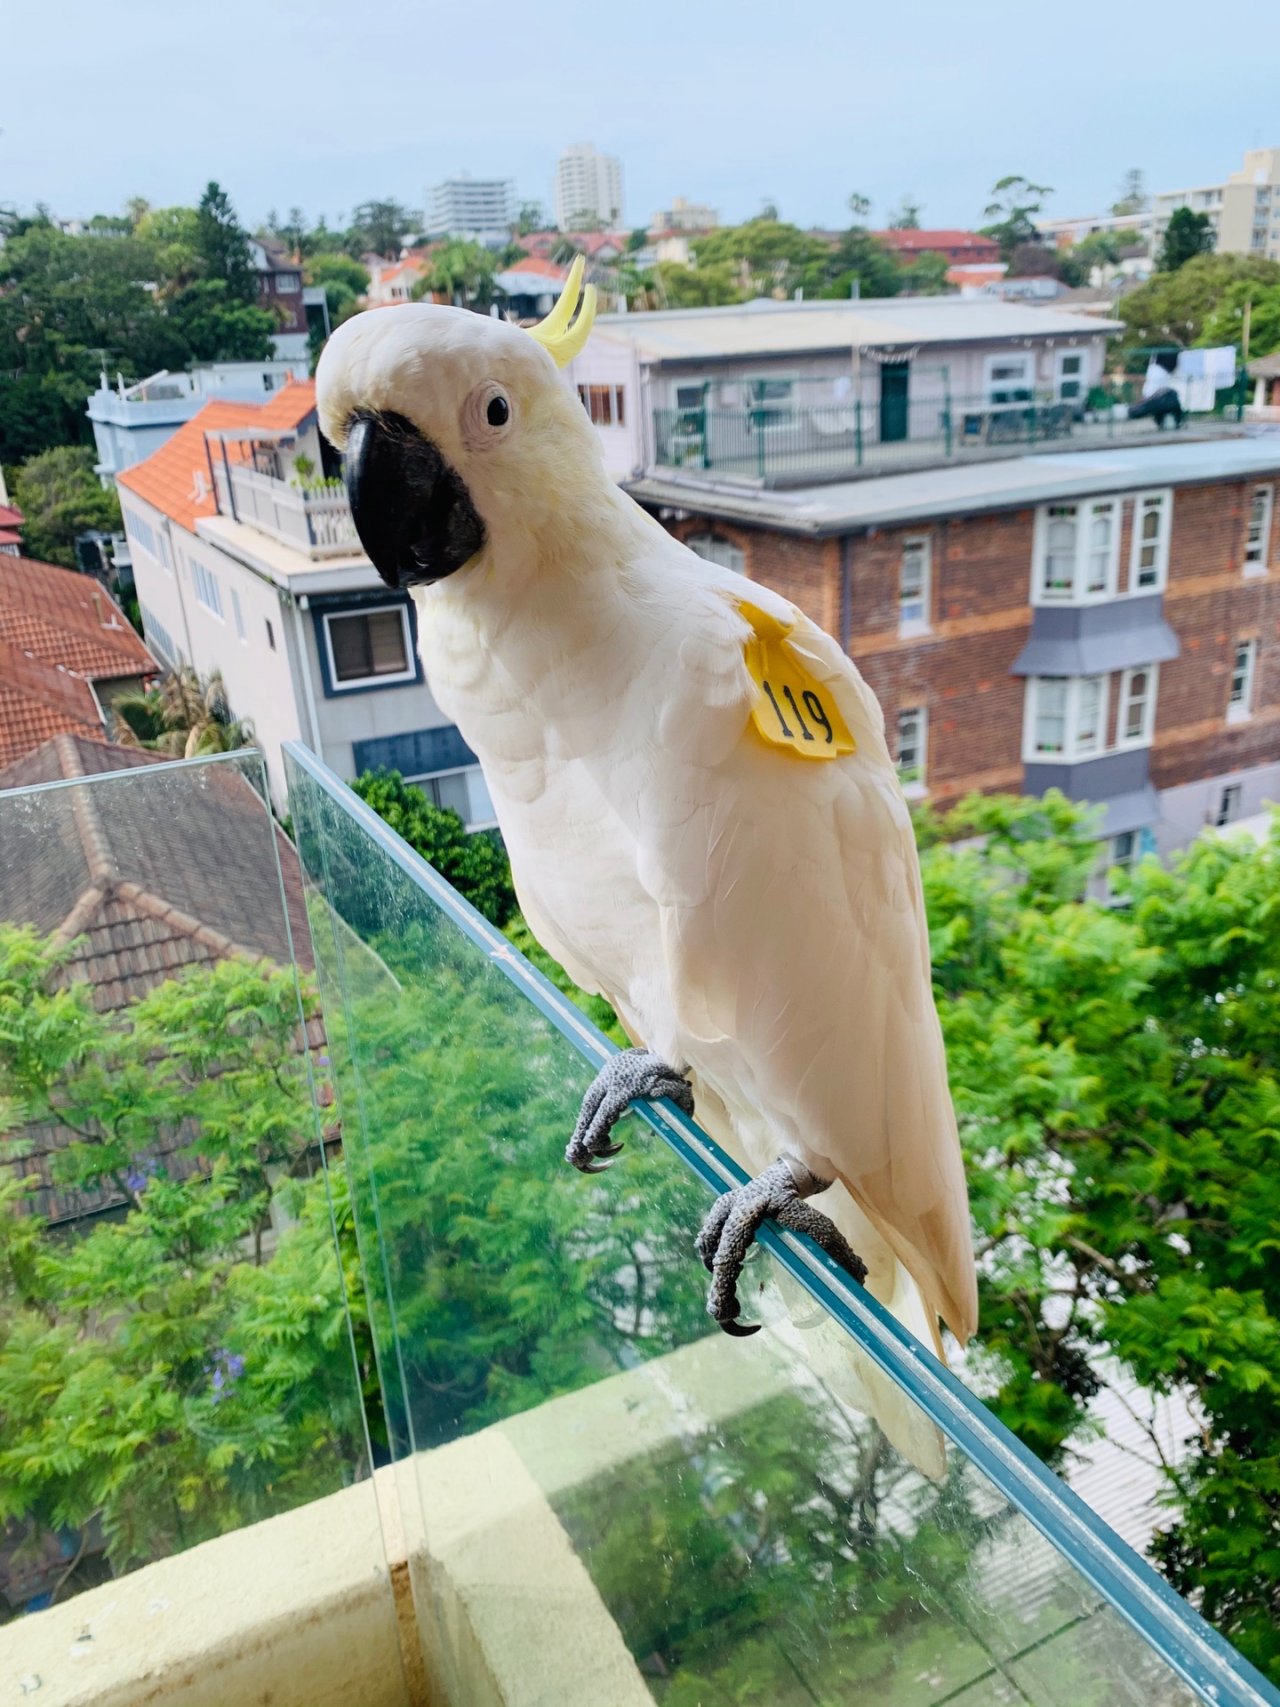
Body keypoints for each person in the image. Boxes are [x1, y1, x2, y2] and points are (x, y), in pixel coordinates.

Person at [1128, 357, 1184, 429]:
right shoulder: (1159, 371)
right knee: (1166, 403)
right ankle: (1173, 422)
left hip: (1159, 398)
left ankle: (1169, 422)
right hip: (1160, 398)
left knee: (1164, 403)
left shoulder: (1155, 369)